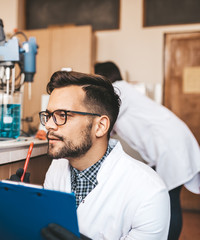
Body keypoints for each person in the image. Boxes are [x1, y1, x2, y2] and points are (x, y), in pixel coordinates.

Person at [39, 71, 170, 239]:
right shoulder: (57, 167)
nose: (49, 125)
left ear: (100, 126)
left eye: (62, 115)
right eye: (49, 115)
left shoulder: (149, 192)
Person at [94, 61, 200, 240]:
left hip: (171, 145)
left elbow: (104, 125)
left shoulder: (118, 91)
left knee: (169, 200)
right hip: (171, 142)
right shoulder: (123, 90)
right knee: (164, 197)